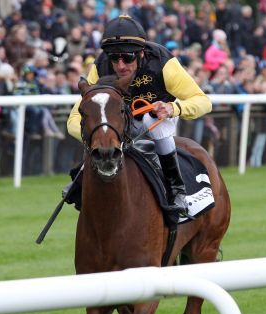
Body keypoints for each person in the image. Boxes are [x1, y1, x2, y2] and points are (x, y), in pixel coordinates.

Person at [67, 15, 212, 216]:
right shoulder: (100, 67)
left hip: (158, 115)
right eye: (114, 58)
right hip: (122, 121)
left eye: (127, 58)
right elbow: (74, 120)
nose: (120, 65)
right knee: (100, 125)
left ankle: (176, 188)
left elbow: (204, 101)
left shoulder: (163, 63)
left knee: (151, 119)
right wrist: (97, 135)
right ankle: (81, 177)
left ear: (141, 53)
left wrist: (173, 108)